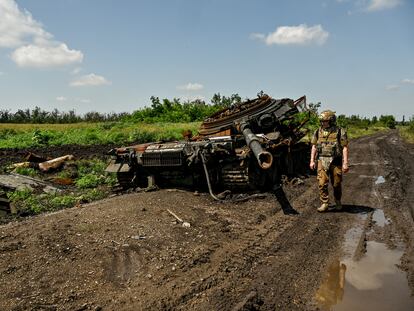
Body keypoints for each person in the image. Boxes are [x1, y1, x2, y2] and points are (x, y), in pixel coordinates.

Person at [309, 110, 349, 212]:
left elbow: (344, 147)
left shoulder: (340, 131)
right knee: (322, 183)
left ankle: (338, 201)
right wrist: (312, 160)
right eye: (322, 121)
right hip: (322, 160)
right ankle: (324, 203)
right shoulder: (317, 131)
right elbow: (314, 146)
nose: (323, 123)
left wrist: (345, 163)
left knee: (336, 183)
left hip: (335, 160)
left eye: (325, 121)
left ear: (331, 121)